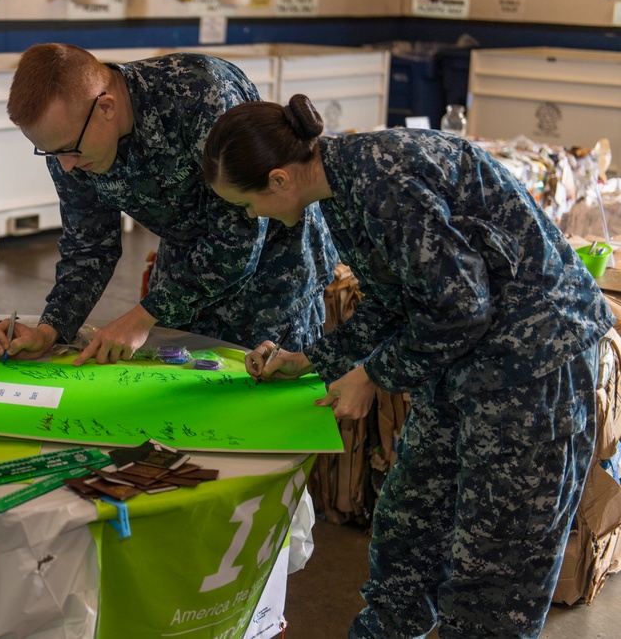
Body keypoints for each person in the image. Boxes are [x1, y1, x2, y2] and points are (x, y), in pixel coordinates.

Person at [202, 94, 615, 638]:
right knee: (407, 542)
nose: (251, 217)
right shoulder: (339, 183)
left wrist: (373, 376)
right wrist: (311, 360)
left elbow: (462, 305)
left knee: (494, 583)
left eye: (246, 204)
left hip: (536, 367)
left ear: (279, 180)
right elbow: (397, 299)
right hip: (460, 362)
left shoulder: (382, 181)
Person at [0, 44, 338, 365]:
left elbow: (240, 237)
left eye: (68, 150)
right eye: (50, 152)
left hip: (275, 263)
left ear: (106, 107)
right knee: (178, 385)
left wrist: (141, 317)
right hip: (186, 264)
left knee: (262, 399)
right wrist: (50, 328)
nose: (65, 166)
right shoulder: (68, 141)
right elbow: (88, 248)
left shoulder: (199, 93)